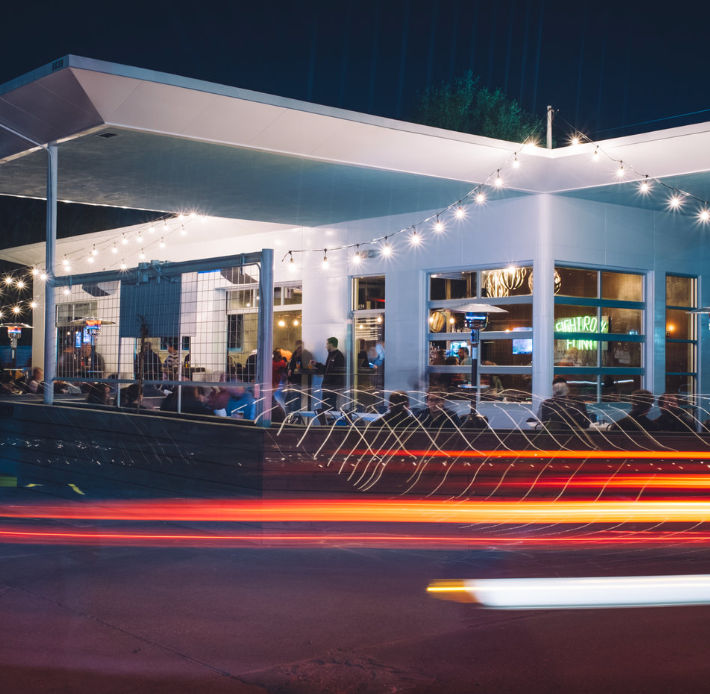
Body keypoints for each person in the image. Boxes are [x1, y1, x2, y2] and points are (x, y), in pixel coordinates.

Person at [311, 337, 345, 412]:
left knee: (330, 407)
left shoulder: (338, 356)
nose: (326, 346)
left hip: (331, 386)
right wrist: (316, 364)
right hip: (328, 386)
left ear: (331, 344)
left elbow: (337, 372)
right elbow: (326, 369)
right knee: (327, 407)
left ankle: (331, 423)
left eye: (327, 344)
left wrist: (333, 385)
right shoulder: (331, 355)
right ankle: (328, 422)